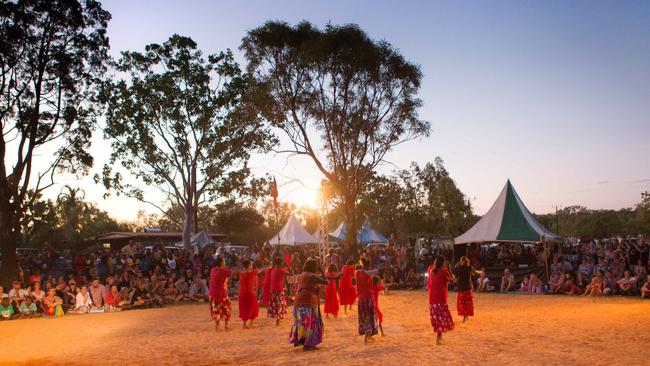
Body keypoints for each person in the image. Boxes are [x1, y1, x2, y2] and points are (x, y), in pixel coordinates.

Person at [289, 258, 329, 351]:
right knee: (311, 323)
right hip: (308, 301)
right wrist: (322, 271)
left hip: (299, 302)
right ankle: (308, 345)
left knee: (303, 323)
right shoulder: (311, 275)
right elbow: (326, 281)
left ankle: (308, 343)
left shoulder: (303, 275)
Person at [428, 255, 454, 346]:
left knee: (437, 318)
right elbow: (452, 280)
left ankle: (440, 337)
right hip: (440, 297)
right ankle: (438, 339)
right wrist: (449, 269)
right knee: (441, 318)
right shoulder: (443, 271)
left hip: (432, 298)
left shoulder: (431, 271)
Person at [208, 256, 238, 331]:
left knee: (216, 310)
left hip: (212, 293)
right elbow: (234, 272)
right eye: (224, 261)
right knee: (228, 308)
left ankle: (217, 327)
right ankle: (226, 326)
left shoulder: (213, 270)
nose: (225, 263)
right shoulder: (222, 271)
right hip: (220, 293)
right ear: (221, 263)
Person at [355, 257, 379, 342]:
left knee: (363, 316)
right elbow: (377, 271)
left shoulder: (357, 272)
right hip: (368, 298)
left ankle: (367, 334)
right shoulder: (368, 273)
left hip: (361, 298)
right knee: (370, 316)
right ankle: (367, 335)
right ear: (368, 266)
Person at [454, 256, 480, 323]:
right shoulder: (469, 267)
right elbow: (475, 272)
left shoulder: (459, 268)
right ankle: (466, 315)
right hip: (467, 288)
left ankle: (464, 315)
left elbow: (454, 274)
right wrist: (481, 272)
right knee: (467, 302)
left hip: (461, 288)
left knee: (462, 302)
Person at [238, 259, 259, 329]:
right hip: (249, 293)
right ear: (249, 265)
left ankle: (249, 322)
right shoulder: (250, 273)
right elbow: (260, 270)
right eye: (251, 265)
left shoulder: (242, 273)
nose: (252, 266)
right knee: (251, 308)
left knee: (247, 308)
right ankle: (245, 324)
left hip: (242, 293)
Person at [267, 257, 288, 325]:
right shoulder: (281, 270)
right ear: (281, 263)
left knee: (275, 304)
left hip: (272, 289)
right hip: (279, 289)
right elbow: (290, 274)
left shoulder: (273, 269)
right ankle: (278, 320)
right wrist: (287, 266)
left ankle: (277, 319)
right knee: (280, 304)